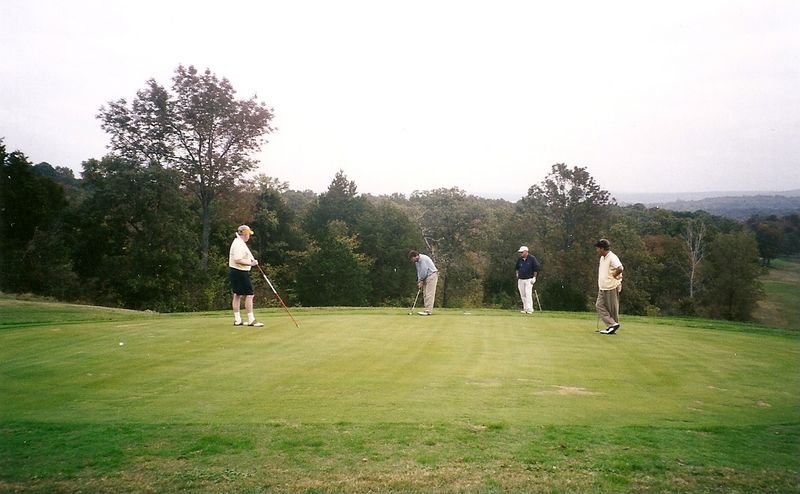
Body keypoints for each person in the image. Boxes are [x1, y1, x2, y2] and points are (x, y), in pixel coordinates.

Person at [228, 225, 264, 327]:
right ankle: (251, 319)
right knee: (249, 294)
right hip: (239, 272)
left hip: (236, 271)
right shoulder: (238, 244)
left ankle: (238, 319)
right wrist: (251, 263)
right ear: (245, 234)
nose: (249, 236)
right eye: (248, 234)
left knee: (237, 294)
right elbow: (238, 260)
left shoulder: (240, 243)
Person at [594, 238, 624, 334]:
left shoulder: (612, 257)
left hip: (611, 286)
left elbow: (620, 268)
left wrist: (615, 275)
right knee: (599, 306)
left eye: (598, 248)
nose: (597, 250)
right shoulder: (602, 258)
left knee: (612, 309)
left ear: (602, 248)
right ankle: (612, 324)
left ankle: (612, 325)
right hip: (602, 287)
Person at [408, 250, 439, 316]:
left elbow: (424, 270)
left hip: (432, 275)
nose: (412, 261)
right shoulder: (417, 262)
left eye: (412, 259)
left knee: (429, 294)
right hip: (425, 277)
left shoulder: (423, 259)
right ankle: (426, 309)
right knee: (425, 294)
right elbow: (419, 271)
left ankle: (428, 311)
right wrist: (419, 281)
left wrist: (421, 280)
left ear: (416, 256)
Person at [515, 246, 540, 314]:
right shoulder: (520, 259)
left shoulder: (532, 258)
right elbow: (517, 268)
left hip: (529, 279)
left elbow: (536, 268)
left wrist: (534, 277)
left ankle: (530, 309)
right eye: (520, 252)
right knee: (522, 294)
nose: (521, 254)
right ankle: (525, 308)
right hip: (521, 279)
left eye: (522, 252)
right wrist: (517, 274)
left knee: (528, 293)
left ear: (526, 252)